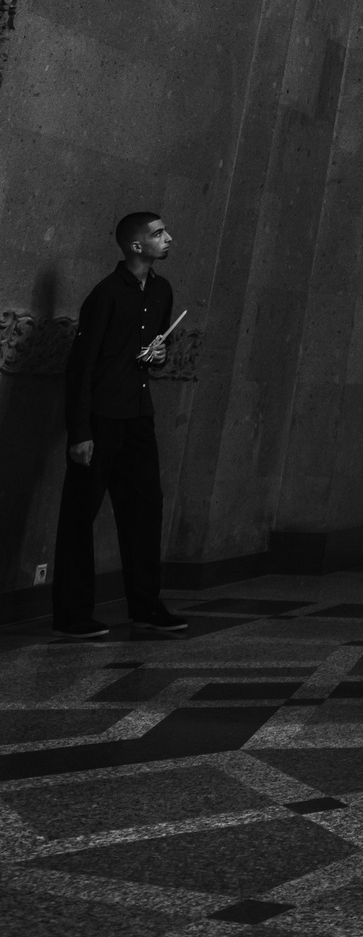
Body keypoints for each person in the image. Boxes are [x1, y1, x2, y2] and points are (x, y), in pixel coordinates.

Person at [52, 212, 189, 639]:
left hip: (138, 416)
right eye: (158, 234)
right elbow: (82, 366)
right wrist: (80, 432)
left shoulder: (162, 290)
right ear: (135, 245)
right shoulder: (106, 294)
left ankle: (146, 606)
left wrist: (158, 356)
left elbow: (153, 352)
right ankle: (72, 615)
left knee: (146, 511)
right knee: (80, 515)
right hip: (100, 420)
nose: (168, 238)